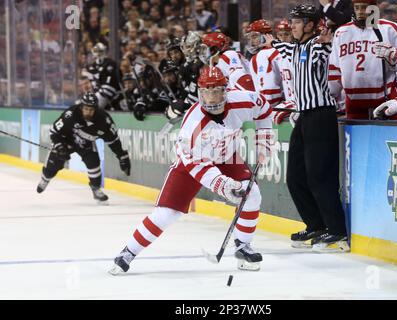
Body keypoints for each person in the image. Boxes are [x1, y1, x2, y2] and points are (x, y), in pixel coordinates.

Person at [109, 66, 275, 274]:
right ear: (199, 92)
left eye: (216, 91)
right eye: (206, 91)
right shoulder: (192, 125)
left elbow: (264, 108)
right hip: (192, 165)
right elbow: (198, 166)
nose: (212, 98)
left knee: (252, 194)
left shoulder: (242, 100)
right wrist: (223, 185)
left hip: (227, 157)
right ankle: (128, 252)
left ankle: (243, 246)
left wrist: (264, 139)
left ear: (226, 90)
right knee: (166, 214)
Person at [267, 4, 349, 252]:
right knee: (294, 177)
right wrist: (270, 41)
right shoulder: (295, 46)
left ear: (312, 25)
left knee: (319, 177)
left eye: (298, 21)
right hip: (304, 116)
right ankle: (316, 224)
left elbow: (323, 51)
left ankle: (336, 231)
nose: (292, 25)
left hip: (321, 116)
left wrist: (325, 42)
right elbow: (281, 46)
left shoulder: (315, 45)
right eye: (292, 20)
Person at [36, 92, 131, 203]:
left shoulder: (104, 121)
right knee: (55, 161)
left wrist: (122, 156)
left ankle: (96, 189)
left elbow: (113, 141)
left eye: (91, 109)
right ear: (81, 107)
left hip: (86, 143)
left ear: (96, 109)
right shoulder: (70, 114)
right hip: (66, 140)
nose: (88, 112)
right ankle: (45, 179)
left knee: (94, 162)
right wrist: (59, 146)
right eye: (86, 109)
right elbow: (54, 131)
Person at [327, 0, 397, 119]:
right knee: (355, 137)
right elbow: (335, 70)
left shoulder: (390, 29)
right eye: (357, 8)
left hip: (385, 98)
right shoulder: (341, 32)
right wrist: (331, 96)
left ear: (373, 8)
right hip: (353, 101)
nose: (360, 12)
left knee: (389, 136)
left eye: (364, 7)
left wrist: (393, 56)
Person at [83, 43, 122, 110]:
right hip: (97, 92)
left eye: (100, 51)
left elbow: (111, 83)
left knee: (92, 107)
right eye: (96, 51)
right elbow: (91, 82)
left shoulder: (110, 63)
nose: (98, 54)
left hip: (109, 91)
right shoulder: (93, 66)